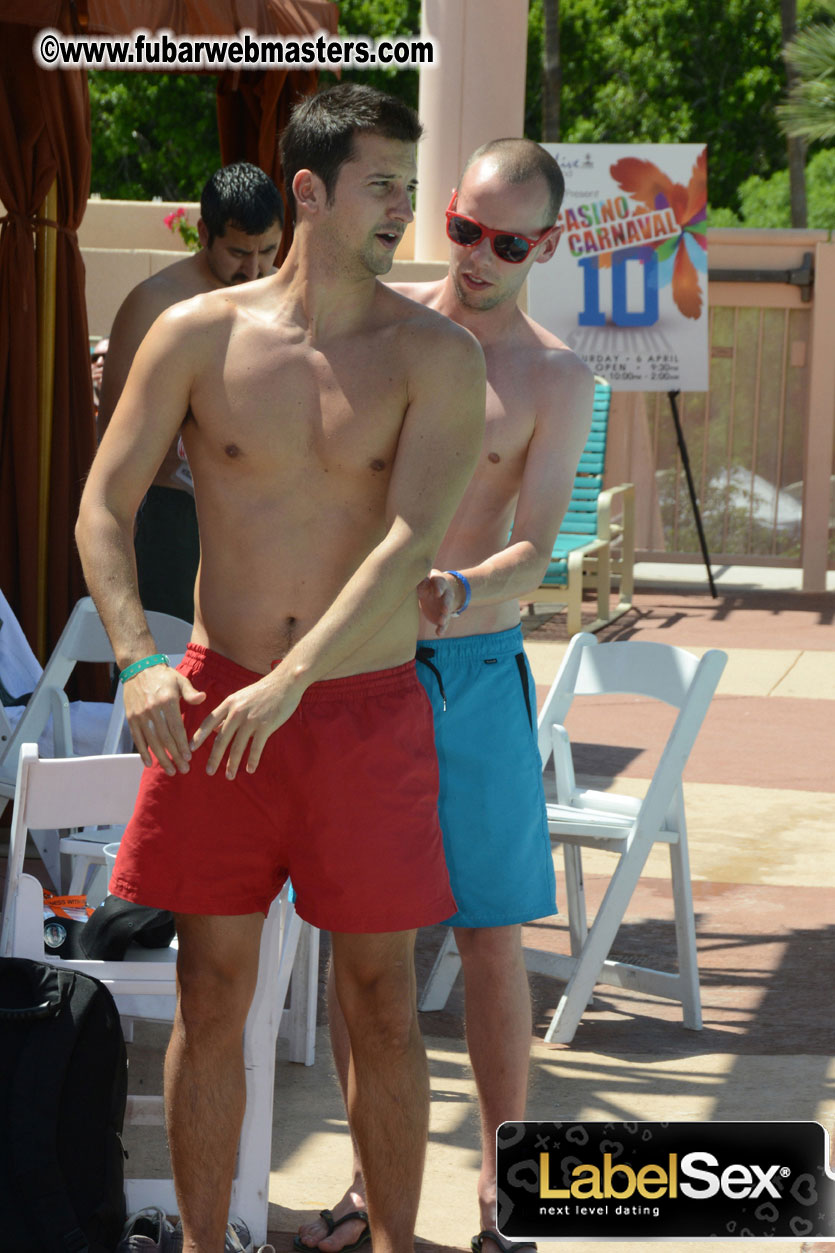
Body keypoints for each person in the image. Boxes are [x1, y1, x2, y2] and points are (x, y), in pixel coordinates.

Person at [75, 83, 486, 1253]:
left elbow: (410, 540)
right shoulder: (197, 334)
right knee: (210, 997)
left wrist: (295, 676)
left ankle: (397, 1243)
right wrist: (142, 659)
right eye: (383, 186)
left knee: (382, 1008)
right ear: (307, 189)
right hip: (209, 702)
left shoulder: (436, 354)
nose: (404, 211)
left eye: (412, 187)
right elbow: (102, 508)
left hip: (358, 709)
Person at [297, 138, 594, 1253]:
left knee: (487, 937)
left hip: (469, 669)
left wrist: (457, 586)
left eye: (505, 242)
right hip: (361, 669)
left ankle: (501, 1182)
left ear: (546, 246)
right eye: (463, 228)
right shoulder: (383, 328)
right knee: (362, 939)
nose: (475, 255)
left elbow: (541, 542)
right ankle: (376, 1186)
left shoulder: (555, 377)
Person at [97, 162, 284, 624]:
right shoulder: (156, 303)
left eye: (269, 251)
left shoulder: (285, 297)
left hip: (263, 521)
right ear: (203, 233)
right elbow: (112, 443)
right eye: (239, 252)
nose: (254, 268)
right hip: (173, 520)